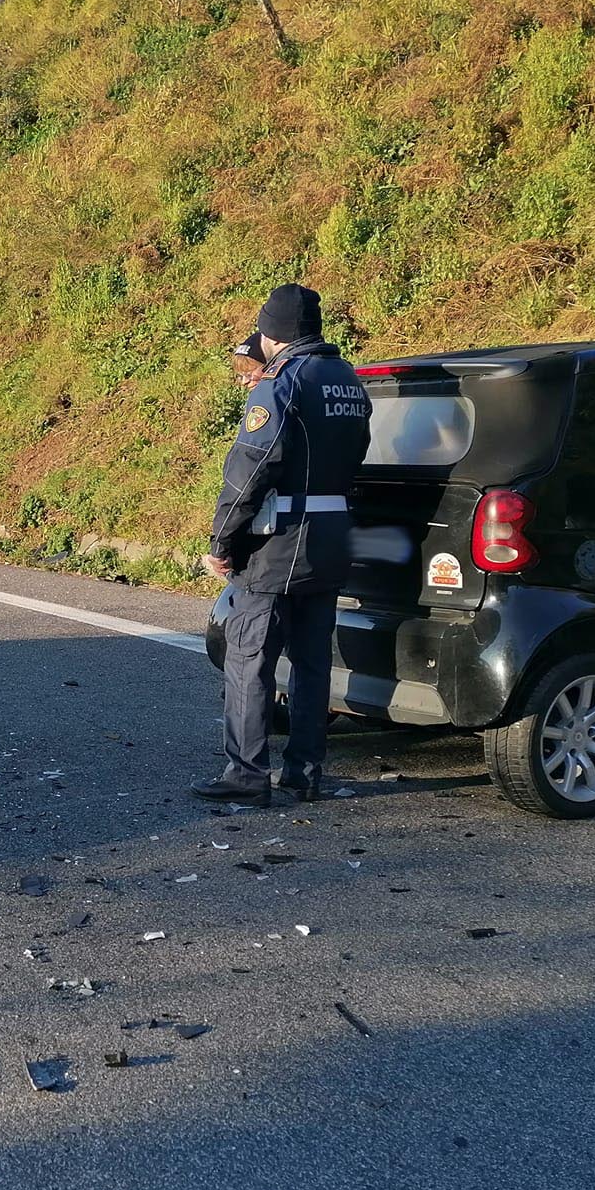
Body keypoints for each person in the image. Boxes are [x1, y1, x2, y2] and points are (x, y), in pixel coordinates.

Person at [193, 284, 373, 805]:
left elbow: (251, 466)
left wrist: (223, 539)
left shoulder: (281, 382)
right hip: (331, 539)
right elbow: (356, 454)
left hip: (277, 546)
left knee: (250, 659)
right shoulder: (348, 382)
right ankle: (304, 772)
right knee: (313, 662)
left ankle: (247, 775)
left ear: (271, 334)